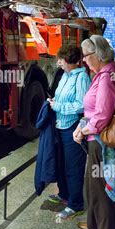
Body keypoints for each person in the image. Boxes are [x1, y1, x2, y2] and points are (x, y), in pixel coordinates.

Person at [73, 35, 115, 229]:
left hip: (101, 144)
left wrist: (82, 130)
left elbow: (101, 118)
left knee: (102, 193)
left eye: (87, 56)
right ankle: (95, 225)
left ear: (98, 55)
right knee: (94, 189)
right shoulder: (109, 72)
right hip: (99, 141)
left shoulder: (106, 77)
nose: (85, 61)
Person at [47, 45, 91, 219]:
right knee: (62, 164)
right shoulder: (66, 75)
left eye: (61, 59)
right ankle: (64, 195)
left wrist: (58, 106)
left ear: (70, 61)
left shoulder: (81, 78)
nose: (58, 62)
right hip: (60, 126)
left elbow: (82, 105)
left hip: (73, 128)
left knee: (74, 168)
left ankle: (76, 204)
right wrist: (54, 100)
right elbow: (62, 96)